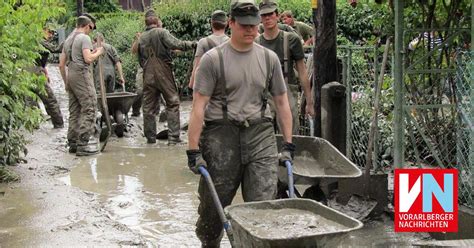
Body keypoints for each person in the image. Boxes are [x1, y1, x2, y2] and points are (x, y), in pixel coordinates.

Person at [186, 0, 295, 246]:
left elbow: (281, 102)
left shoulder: (269, 59)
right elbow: (198, 107)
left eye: (254, 25)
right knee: (213, 210)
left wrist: (288, 144)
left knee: (262, 204)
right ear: (231, 23)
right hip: (221, 137)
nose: (251, 30)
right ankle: (210, 242)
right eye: (244, 25)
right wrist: (193, 150)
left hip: (260, 134)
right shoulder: (213, 60)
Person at [136, 9, 196, 145]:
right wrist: (192, 44)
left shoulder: (141, 38)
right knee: (173, 102)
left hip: (148, 75)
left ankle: (150, 139)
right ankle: (173, 138)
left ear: (146, 22)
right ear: (156, 21)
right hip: (163, 73)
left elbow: (140, 60)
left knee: (148, 107)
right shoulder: (162, 32)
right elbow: (177, 44)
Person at [256, 0, 314, 134]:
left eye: (271, 14)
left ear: (277, 15)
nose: (268, 18)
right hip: (264, 94)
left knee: (290, 138)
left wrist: (309, 102)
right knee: (263, 137)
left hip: (288, 92)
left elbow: (303, 71)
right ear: (260, 18)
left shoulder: (291, 39)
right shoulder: (256, 43)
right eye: (264, 15)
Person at [59, 15, 104, 155]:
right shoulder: (84, 38)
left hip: (70, 74)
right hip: (81, 74)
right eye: (91, 28)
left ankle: (72, 142)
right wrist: (99, 52)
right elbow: (88, 58)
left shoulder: (68, 40)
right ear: (87, 25)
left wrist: (66, 82)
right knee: (90, 106)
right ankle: (83, 145)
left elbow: (61, 65)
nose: (90, 31)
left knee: (75, 110)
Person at [188, 10, 229, 89]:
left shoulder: (203, 42)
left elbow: (197, 66)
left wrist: (192, 83)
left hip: (207, 85)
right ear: (226, 24)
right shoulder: (231, 42)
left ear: (211, 24)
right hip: (227, 85)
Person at [33, 25, 64, 128]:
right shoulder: (41, 41)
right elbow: (56, 49)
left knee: (30, 101)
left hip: (28, 72)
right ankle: (58, 124)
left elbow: (38, 60)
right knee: (50, 99)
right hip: (35, 73)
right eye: (49, 32)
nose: (51, 35)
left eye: (53, 33)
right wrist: (71, 39)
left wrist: (45, 72)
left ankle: (34, 125)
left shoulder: (33, 39)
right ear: (43, 30)